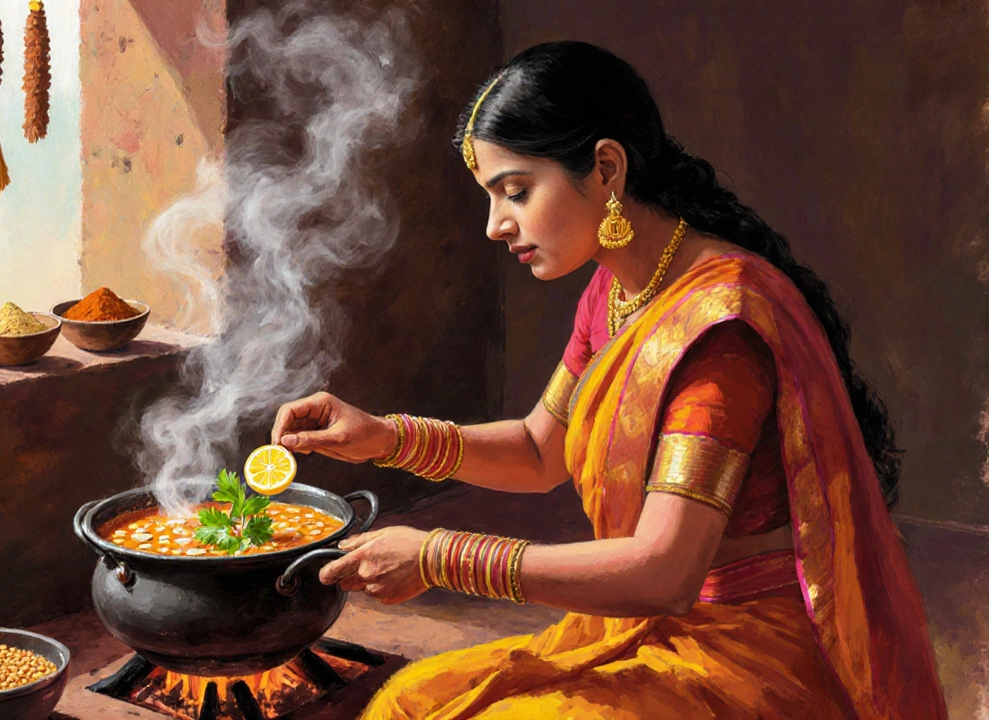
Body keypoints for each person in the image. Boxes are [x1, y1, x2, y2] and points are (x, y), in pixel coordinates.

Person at [269, 41, 946, 719]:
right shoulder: (617, 291)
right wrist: (384, 438)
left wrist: (441, 558)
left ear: (606, 168)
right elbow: (540, 451)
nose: (496, 226)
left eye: (515, 192)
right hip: (642, 629)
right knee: (408, 700)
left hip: (743, 650)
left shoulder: (719, 331)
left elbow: (665, 575)